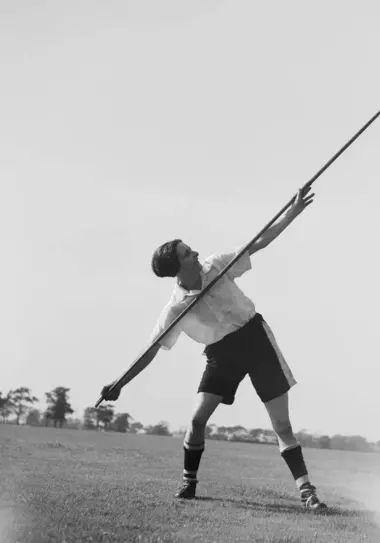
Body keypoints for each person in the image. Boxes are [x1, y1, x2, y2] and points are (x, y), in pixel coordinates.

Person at [101, 186, 326, 511]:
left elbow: (258, 242)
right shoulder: (176, 309)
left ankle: (306, 490)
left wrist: (292, 213)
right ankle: (189, 482)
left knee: (282, 425)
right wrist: (119, 384)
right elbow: (149, 351)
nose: (195, 253)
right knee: (196, 420)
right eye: (187, 253)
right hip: (222, 355)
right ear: (178, 268)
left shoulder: (217, 264)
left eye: (191, 249)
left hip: (256, 340)